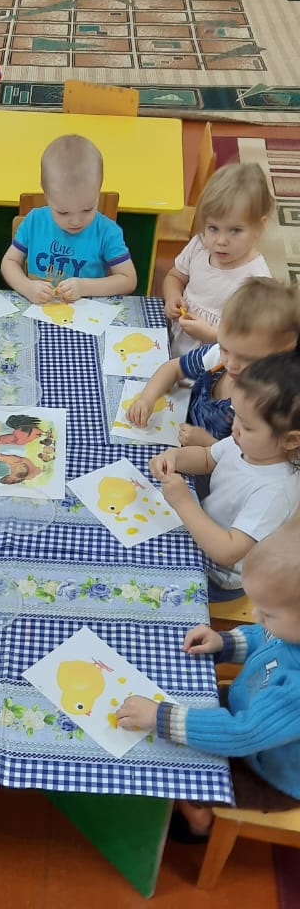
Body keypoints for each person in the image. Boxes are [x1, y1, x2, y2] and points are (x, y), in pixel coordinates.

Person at [117, 519, 300, 835]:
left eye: (267, 613)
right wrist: (225, 642)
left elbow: (243, 734)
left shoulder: (295, 691)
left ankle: (198, 821)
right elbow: (266, 636)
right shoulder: (290, 628)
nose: (255, 616)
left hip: (270, 775)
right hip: (246, 710)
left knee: (179, 773)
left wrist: (160, 717)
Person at [148, 352, 300, 599]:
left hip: (217, 574)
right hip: (202, 526)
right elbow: (208, 457)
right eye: (236, 414)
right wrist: (174, 457)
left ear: (291, 440)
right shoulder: (249, 443)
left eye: (247, 425)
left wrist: (183, 502)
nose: (235, 428)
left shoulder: (275, 492)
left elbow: (228, 551)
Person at [127, 276, 300, 448]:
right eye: (225, 348)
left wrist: (209, 446)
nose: (231, 363)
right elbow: (174, 368)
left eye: (246, 358)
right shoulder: (218, 357)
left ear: (282, 354)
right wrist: (146, 398)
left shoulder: (267, 404)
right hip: (177, 428)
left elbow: (248, 457)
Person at [0, 134, 137, 303]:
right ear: (47, 196)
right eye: (63, 212)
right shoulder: (34, 222)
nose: (76, 221)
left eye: (87, 209)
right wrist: (26, 286)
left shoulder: (107, 232)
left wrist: (84, 287)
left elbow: (128, 280)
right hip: (39, 310)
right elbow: (9, 262)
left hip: (87, 313)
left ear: (98, 191)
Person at [163, 161, 273, 356]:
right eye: (213, 228)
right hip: (174, 345)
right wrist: (172, 297)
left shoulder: (258, 280)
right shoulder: (199, 246)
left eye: (235, 230)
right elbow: (175, 277)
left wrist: (212, 335)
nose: (221, 241)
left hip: (216, 362)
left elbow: (253, 340)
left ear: (260, 226)